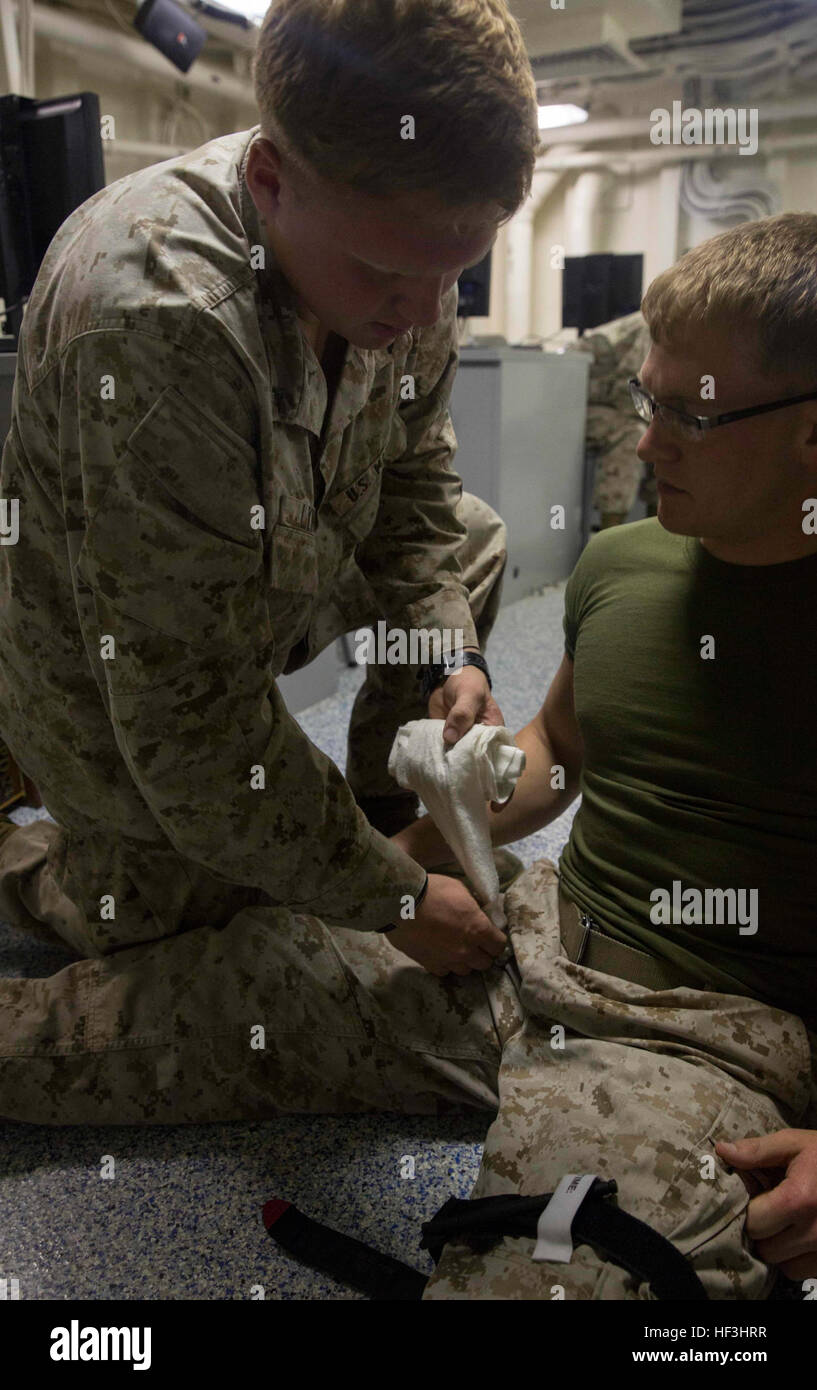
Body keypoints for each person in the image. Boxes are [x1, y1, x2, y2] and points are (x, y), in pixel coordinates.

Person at [0, 0, 542, 1124]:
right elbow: (187, 719)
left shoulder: (403, 251)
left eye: (458, 271)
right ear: (268, 181)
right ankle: (43, 852)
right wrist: (390, 905)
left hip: (267, 566)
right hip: (107, 660)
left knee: (474, 541)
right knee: (176, 911)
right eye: (391, 275)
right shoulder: (153, 319)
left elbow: (414, 484)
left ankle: (373, 811)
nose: (424, 312)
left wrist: (446, 645)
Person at [395, 211, 817, 1297]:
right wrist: (415, 833)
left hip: (701, 1038)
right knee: (152, 999)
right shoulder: (626, 562)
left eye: (690, 413)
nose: (641, 442)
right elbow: (563, 750)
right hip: (520, 943)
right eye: (647, 399)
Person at [569, 309, 658, 528]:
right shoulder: (653, 325)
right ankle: (611, 533)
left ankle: (661, 532)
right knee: (631, 433)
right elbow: (634, 386)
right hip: (574, 405)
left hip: (609, 403)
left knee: (671, 433)